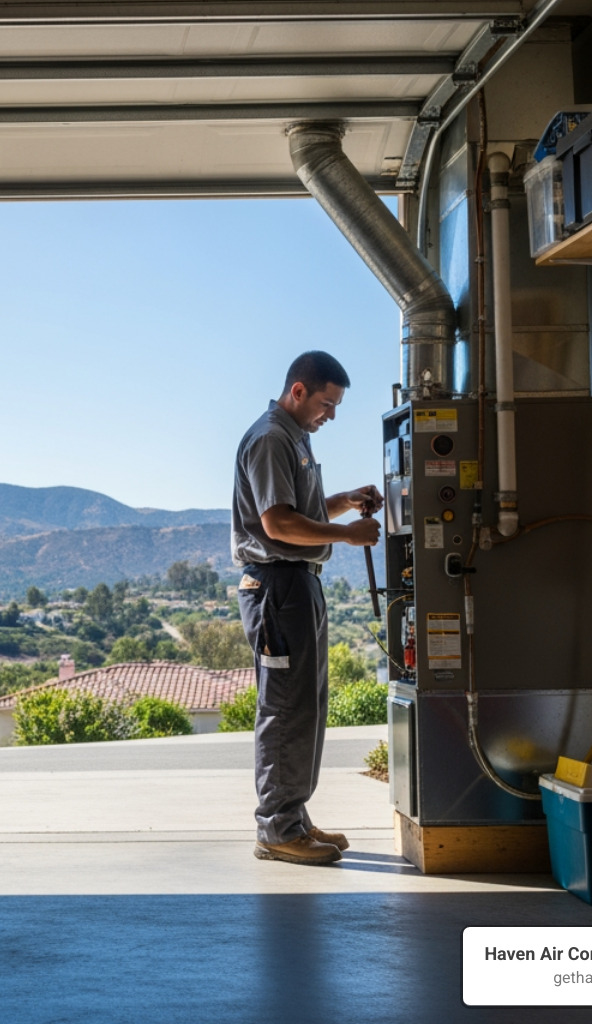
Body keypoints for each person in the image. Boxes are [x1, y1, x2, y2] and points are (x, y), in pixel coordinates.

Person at [233, 350, 381, 866]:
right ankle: (276, 828)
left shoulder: (296, 439)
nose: (331, 415)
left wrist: (345, 500)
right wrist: (347, 535)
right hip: (278, 587)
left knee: (308, 706)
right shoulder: (273, 438)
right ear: (299, 391)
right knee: (286, 709)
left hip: (299, 585)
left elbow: (301, 511)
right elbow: (278, 524)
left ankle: (293, 817)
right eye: (326, 402)